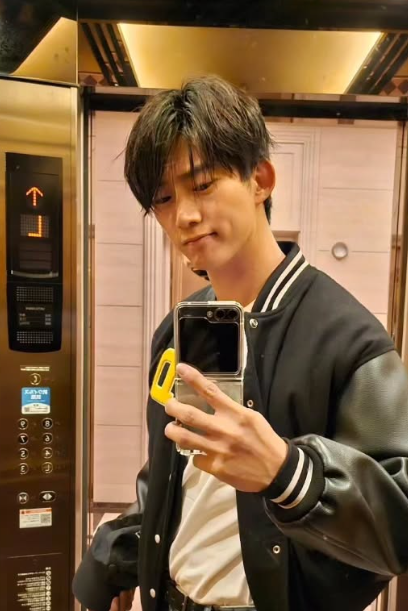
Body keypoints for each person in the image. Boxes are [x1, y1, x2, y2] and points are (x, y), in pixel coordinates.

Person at [73, 75, 408, 611]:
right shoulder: (178, 330)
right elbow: (173, 476)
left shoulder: (349, 338)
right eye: (164, 199)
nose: (184, 216)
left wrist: (286, 472)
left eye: (203, 184)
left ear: (261, 180)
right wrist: (111, 562)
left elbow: (400, 522)